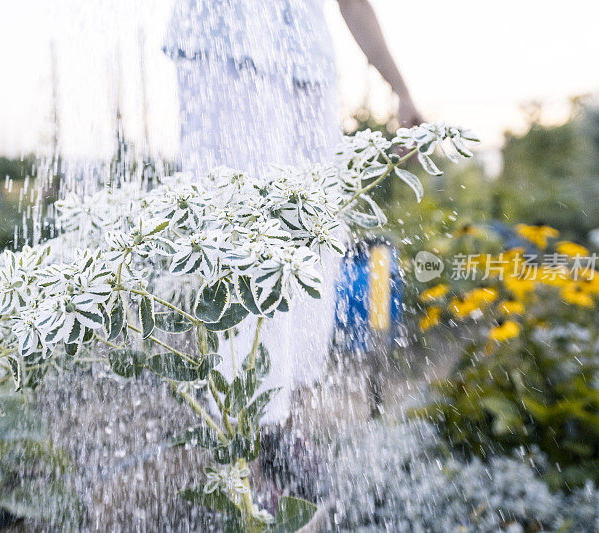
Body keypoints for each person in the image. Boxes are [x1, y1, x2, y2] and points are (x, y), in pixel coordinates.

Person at [163, 0, 421, 498]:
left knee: (312, 241)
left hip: (304, 62)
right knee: (240, 242)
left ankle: (283, 431)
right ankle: (246, 463)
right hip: (225, 45)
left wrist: (400, 89)